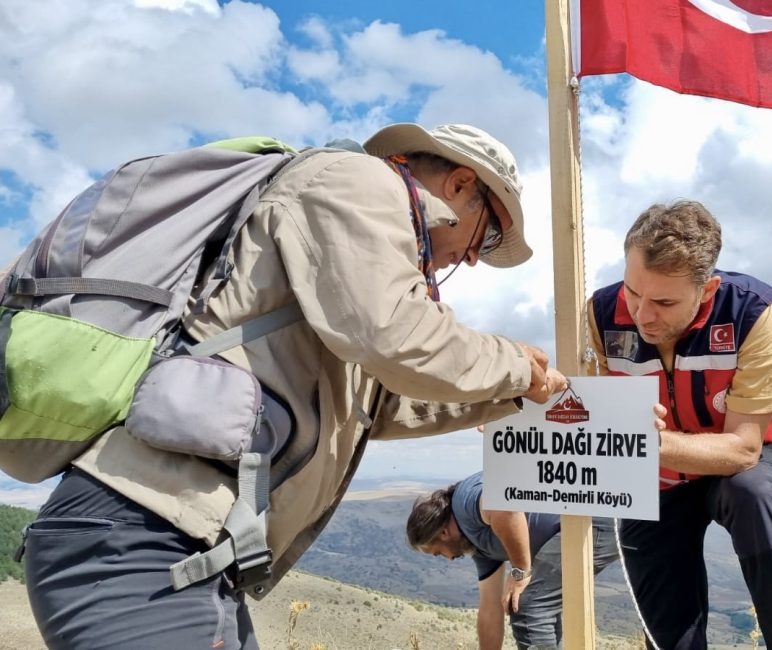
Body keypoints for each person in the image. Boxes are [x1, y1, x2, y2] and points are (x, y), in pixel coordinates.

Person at [14, 123, 569, 649]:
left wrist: (513, 394)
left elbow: (385, 403)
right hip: (143, 539)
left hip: (181, 546)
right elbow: (392, 335)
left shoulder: (354, 267)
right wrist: (515, 363)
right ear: (461, 183)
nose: (473, 257)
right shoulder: (360, 181)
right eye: (488, 232)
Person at [586, 200, 772, 649]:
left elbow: (744, 450)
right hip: (654, 478)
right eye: (633, 292)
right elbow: (584, 406)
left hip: (738, 464)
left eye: (664, 301)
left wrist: (652, 443)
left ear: (707, 289)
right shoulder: (600, 314)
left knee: (753, 494)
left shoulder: (756, 312)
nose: (642, 315)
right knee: (666, 634)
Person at [406, 472, 619, 650]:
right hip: (580, 523)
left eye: (438, 553)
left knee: (528, 604)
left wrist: (520, 570)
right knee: (532, 604)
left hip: (592, 516)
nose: (449, 559)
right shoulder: (478, 546)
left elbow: (504, 508)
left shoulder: (464, 503)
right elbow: (490, 609)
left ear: (443, 533)